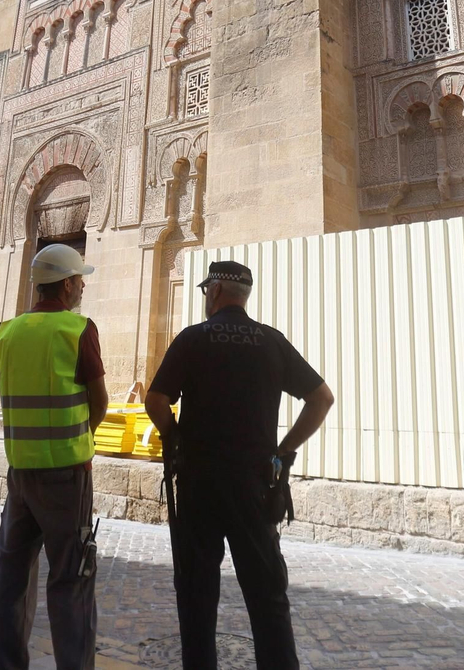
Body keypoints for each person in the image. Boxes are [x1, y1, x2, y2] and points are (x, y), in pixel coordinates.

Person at [145, 261, 335, 670]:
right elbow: (322, 399)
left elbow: (156, 401)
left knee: (196, 594)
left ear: (213, 292)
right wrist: (282, 452)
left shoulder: (193, 339)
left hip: (199, 485)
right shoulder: (271, 341)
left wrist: (176, 441)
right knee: (267, 595)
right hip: (255, 484)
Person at [0, 242, 109, 670]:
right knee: (71, 578)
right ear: (70, 284)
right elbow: (100, 402)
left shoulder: (7, 331)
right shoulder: (77, 330)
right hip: (66, 475)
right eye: (80, 281)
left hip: (20, 473)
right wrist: (78, 437)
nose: (81, 289)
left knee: (11, 575)